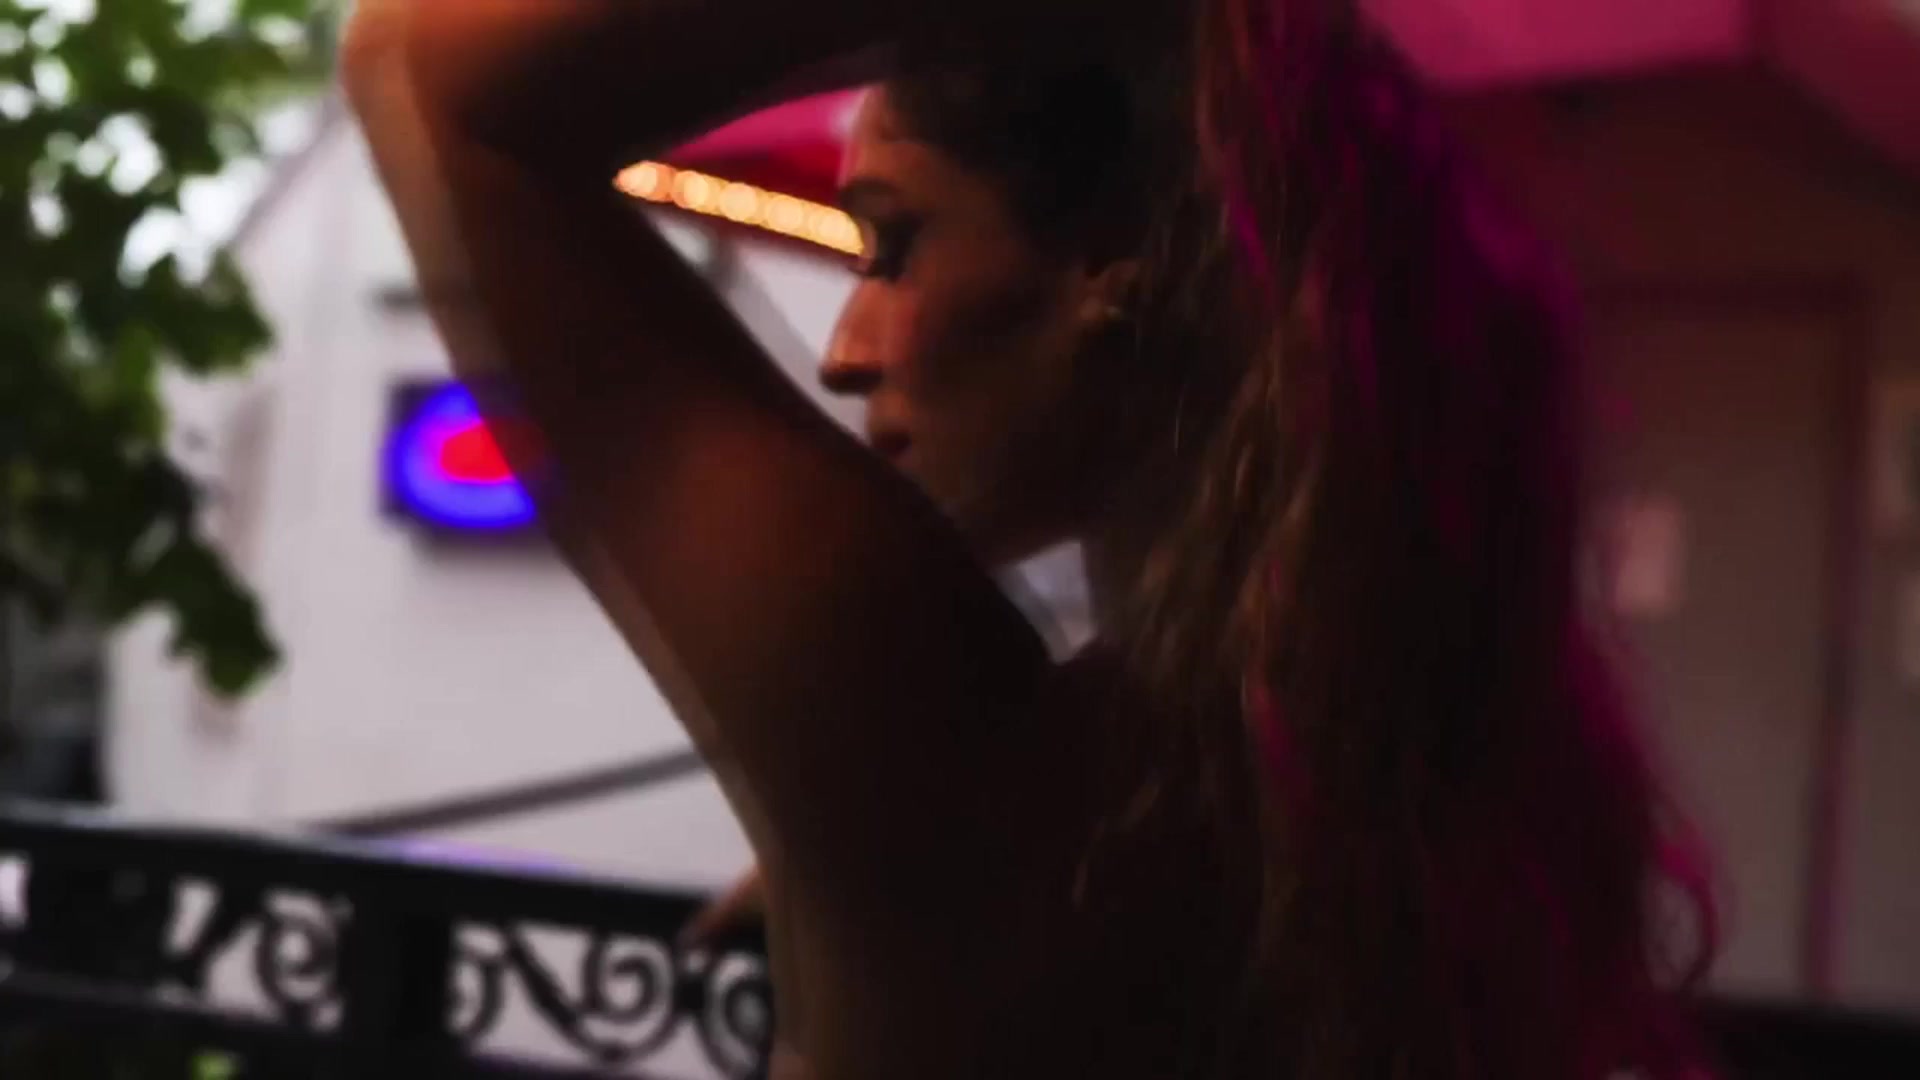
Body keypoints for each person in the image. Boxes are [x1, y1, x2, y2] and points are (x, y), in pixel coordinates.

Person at [342, 1, 1718, 1077]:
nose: (843, 352)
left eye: (892, 245)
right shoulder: (1406, 763)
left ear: (1119, 258)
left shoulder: (984, 778)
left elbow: (432, 73)